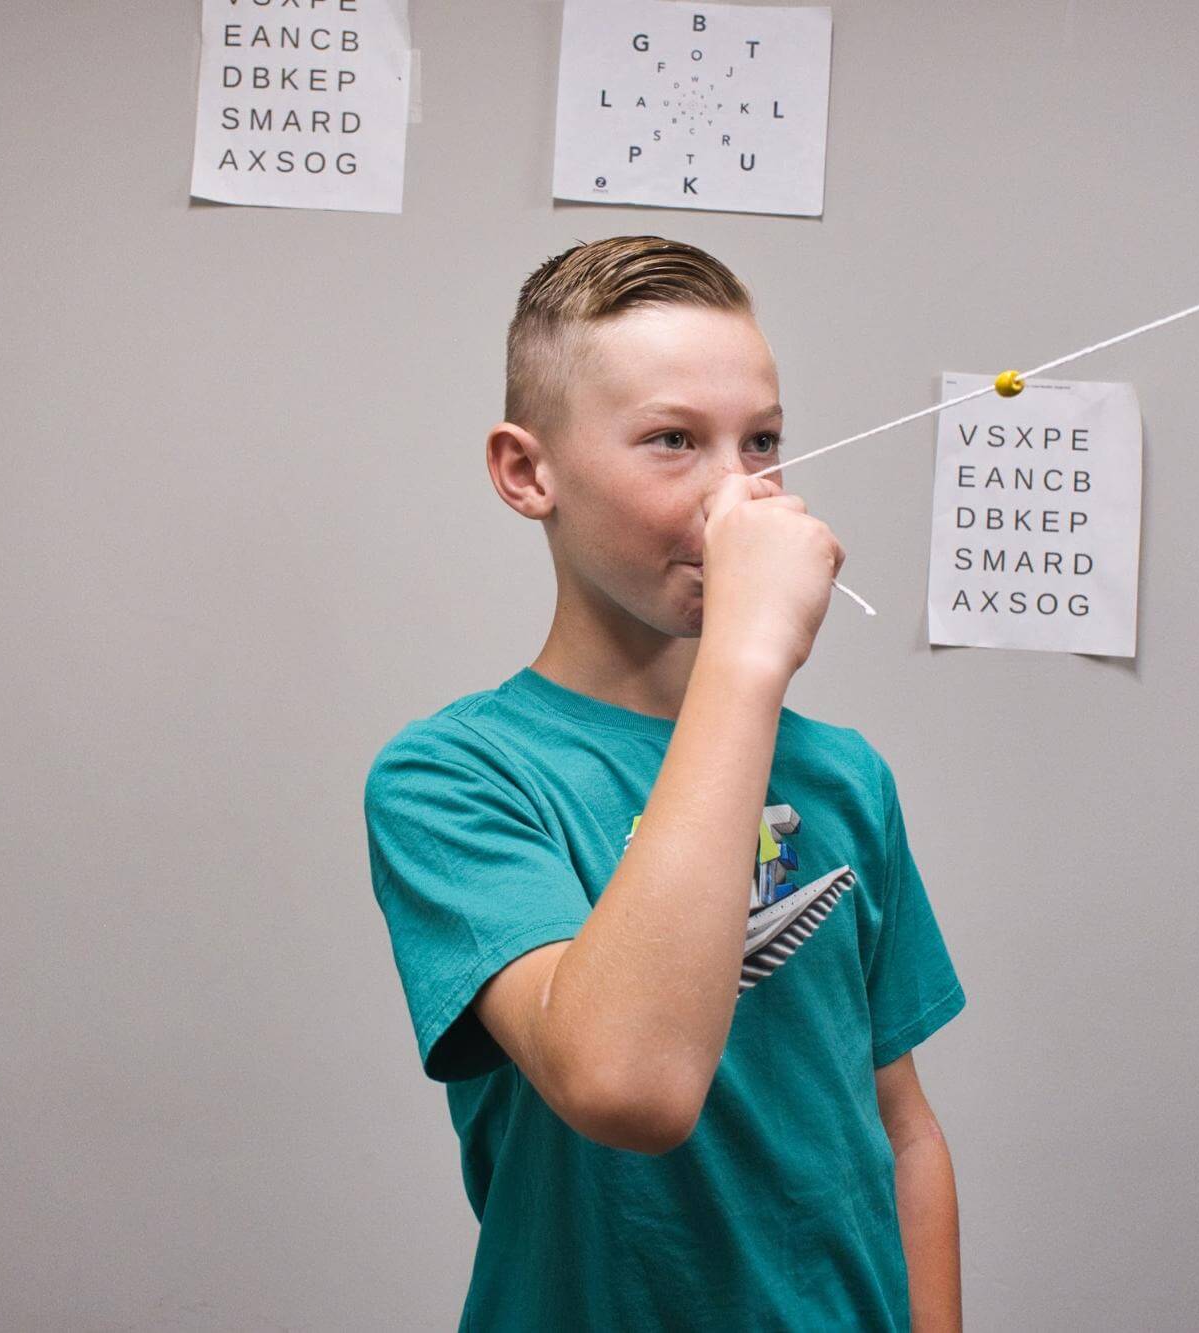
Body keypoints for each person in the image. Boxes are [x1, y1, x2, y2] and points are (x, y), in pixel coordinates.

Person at [362, 235, 967, 1330]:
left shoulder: (846, 777)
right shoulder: (453, 779)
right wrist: (745, 655)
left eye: (764, 443)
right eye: (673, 442)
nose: (736, 495)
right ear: (525, 471)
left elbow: (903, 1127)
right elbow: (628, 1086)